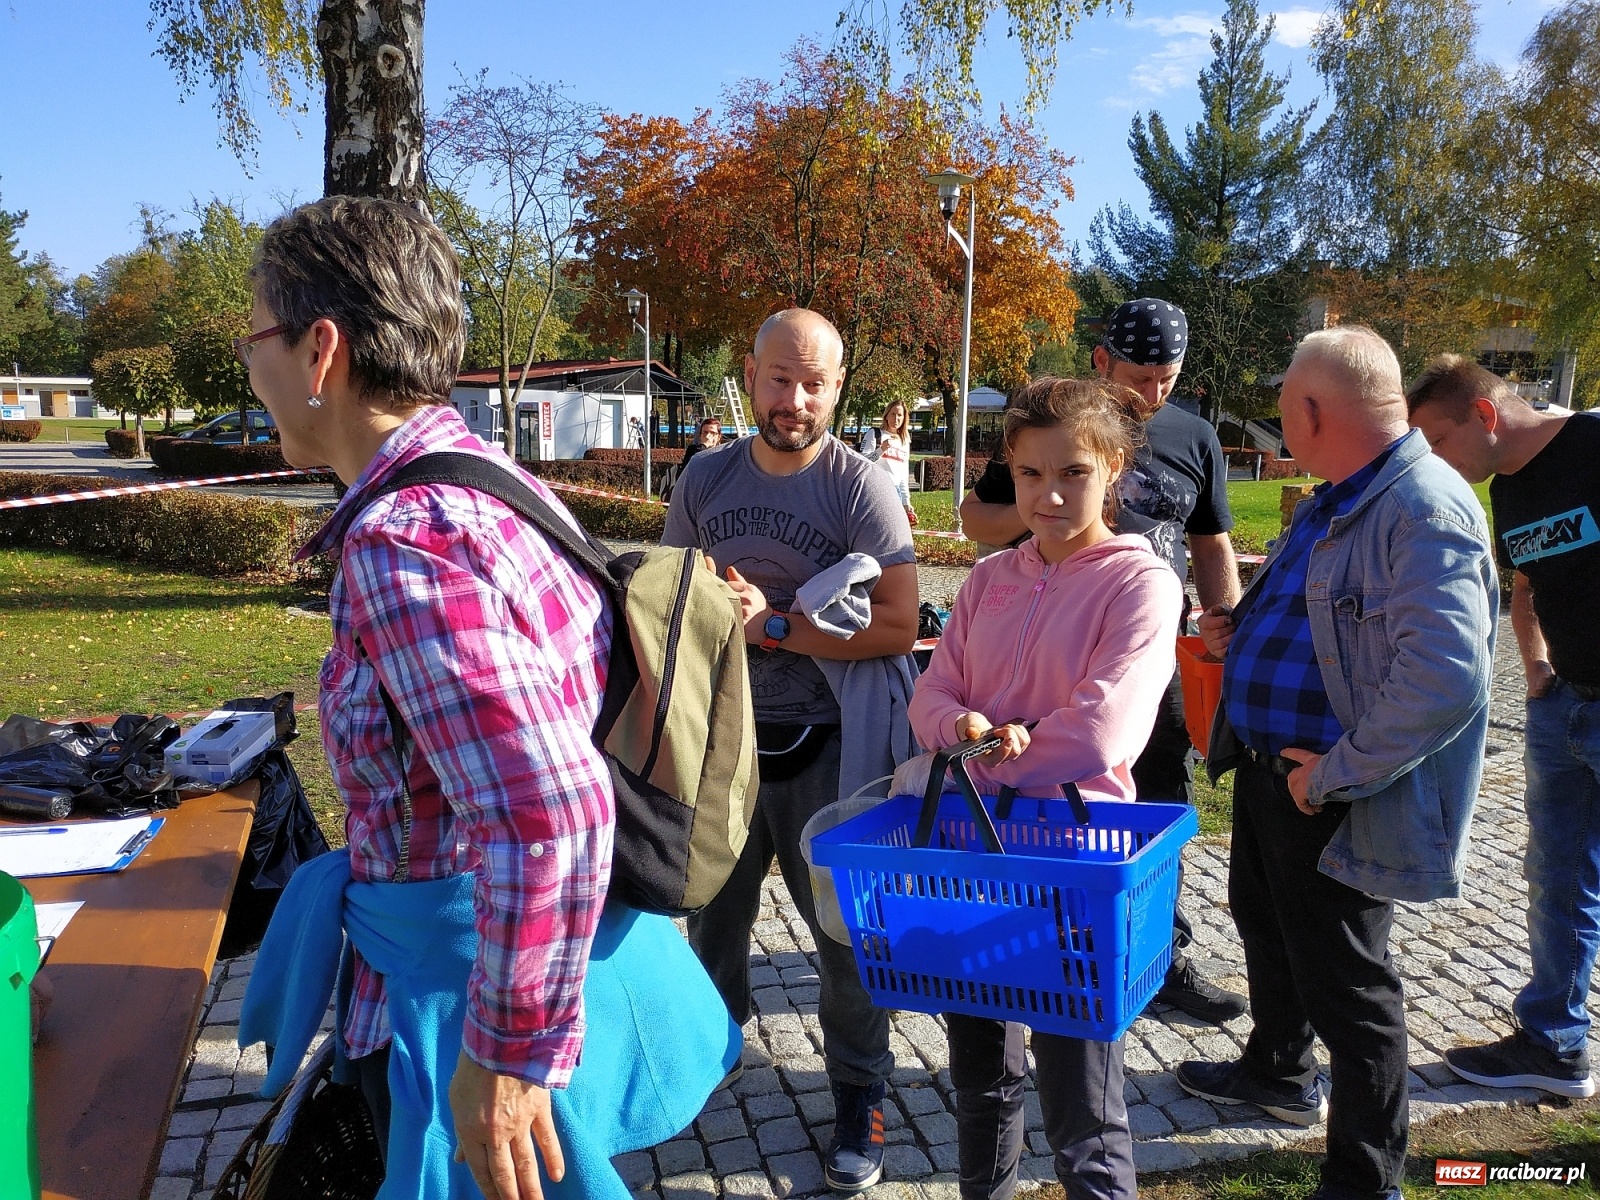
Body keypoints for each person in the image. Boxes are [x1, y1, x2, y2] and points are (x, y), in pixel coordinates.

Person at [236, 197, 736, 1200]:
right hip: (526, 959)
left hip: (460, 1004)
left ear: (320, 349)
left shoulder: (406, 539)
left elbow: (550, 810)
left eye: (254, 338)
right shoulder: (487, 480)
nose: (250, 367)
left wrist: (508, 1061)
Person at [1178, 327, 1497, 1200]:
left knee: (1350, 985)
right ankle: (1277, 1070)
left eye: (1286, 408)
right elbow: (1331, 618)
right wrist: (1241, 629)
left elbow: (1445, 677)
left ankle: (1366, 1177)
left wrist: (1332, 774)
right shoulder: (1343, 493)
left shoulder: (1421, 504)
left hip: (1336, 789)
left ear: (1315, 411)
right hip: (1280, 773)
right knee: (1265, 922)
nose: (1282, 425)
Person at [663, 307, 920, 1193]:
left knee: (847, 940)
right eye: (780, 378)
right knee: (715, 917)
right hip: (725, 749)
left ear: (838, 386)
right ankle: (716, 1044)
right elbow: (671, 600)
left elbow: (896, 628)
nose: (795, 399)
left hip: (831, 753)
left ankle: (859, 1092)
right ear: (750, 372)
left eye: (815, 382)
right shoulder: (705, 478)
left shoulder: (860, 490)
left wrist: (770, 623)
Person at [906, 377, 1182, 1200]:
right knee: (982, 1078)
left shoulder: (1140, 582)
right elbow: (928, 695)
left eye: (1074, 474)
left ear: (1116, 469)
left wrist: (983, 751)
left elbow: (1103, 729)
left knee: (1082, 1104)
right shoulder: (990, 580)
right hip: (968, 851)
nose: (1050, 495)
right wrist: (960, 729)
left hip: (1074, 860)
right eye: (1029, 475)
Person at [959, 297, 1245, 1024]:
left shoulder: (1196, 435)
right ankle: (1034, 929)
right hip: (1059, 632)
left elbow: (1211, 540)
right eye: (1140, 376)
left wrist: (1226, 621)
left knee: (1156, 794)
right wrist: (1053, 510)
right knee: (1057, 790)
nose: (1153, 394)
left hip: (1152, 645)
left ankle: (1160, 948)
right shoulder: (1053, 426)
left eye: (1168, 378)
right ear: (1102, 361)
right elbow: (976, 517)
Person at [1407, 356, 1600, 1099]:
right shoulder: (1509, 490)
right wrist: (1539, 674)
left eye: (1439, 441)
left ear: (1484, 416)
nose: (1434, 463)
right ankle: (1554, 1044)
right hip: (1564, 711)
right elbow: (1525, 586)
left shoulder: (1592, 444)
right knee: (1558, 880)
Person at [860, 398, 920, 528]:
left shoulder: (904, 441)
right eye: (893, 414)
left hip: (895, 490)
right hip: (875, 489)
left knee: (893, 529)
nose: (896, 418)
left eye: (900, 415)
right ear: (886, 415)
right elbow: (863, 462)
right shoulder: (874, 434)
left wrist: (906, 502)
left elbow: (903, 474)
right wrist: (881, 449)